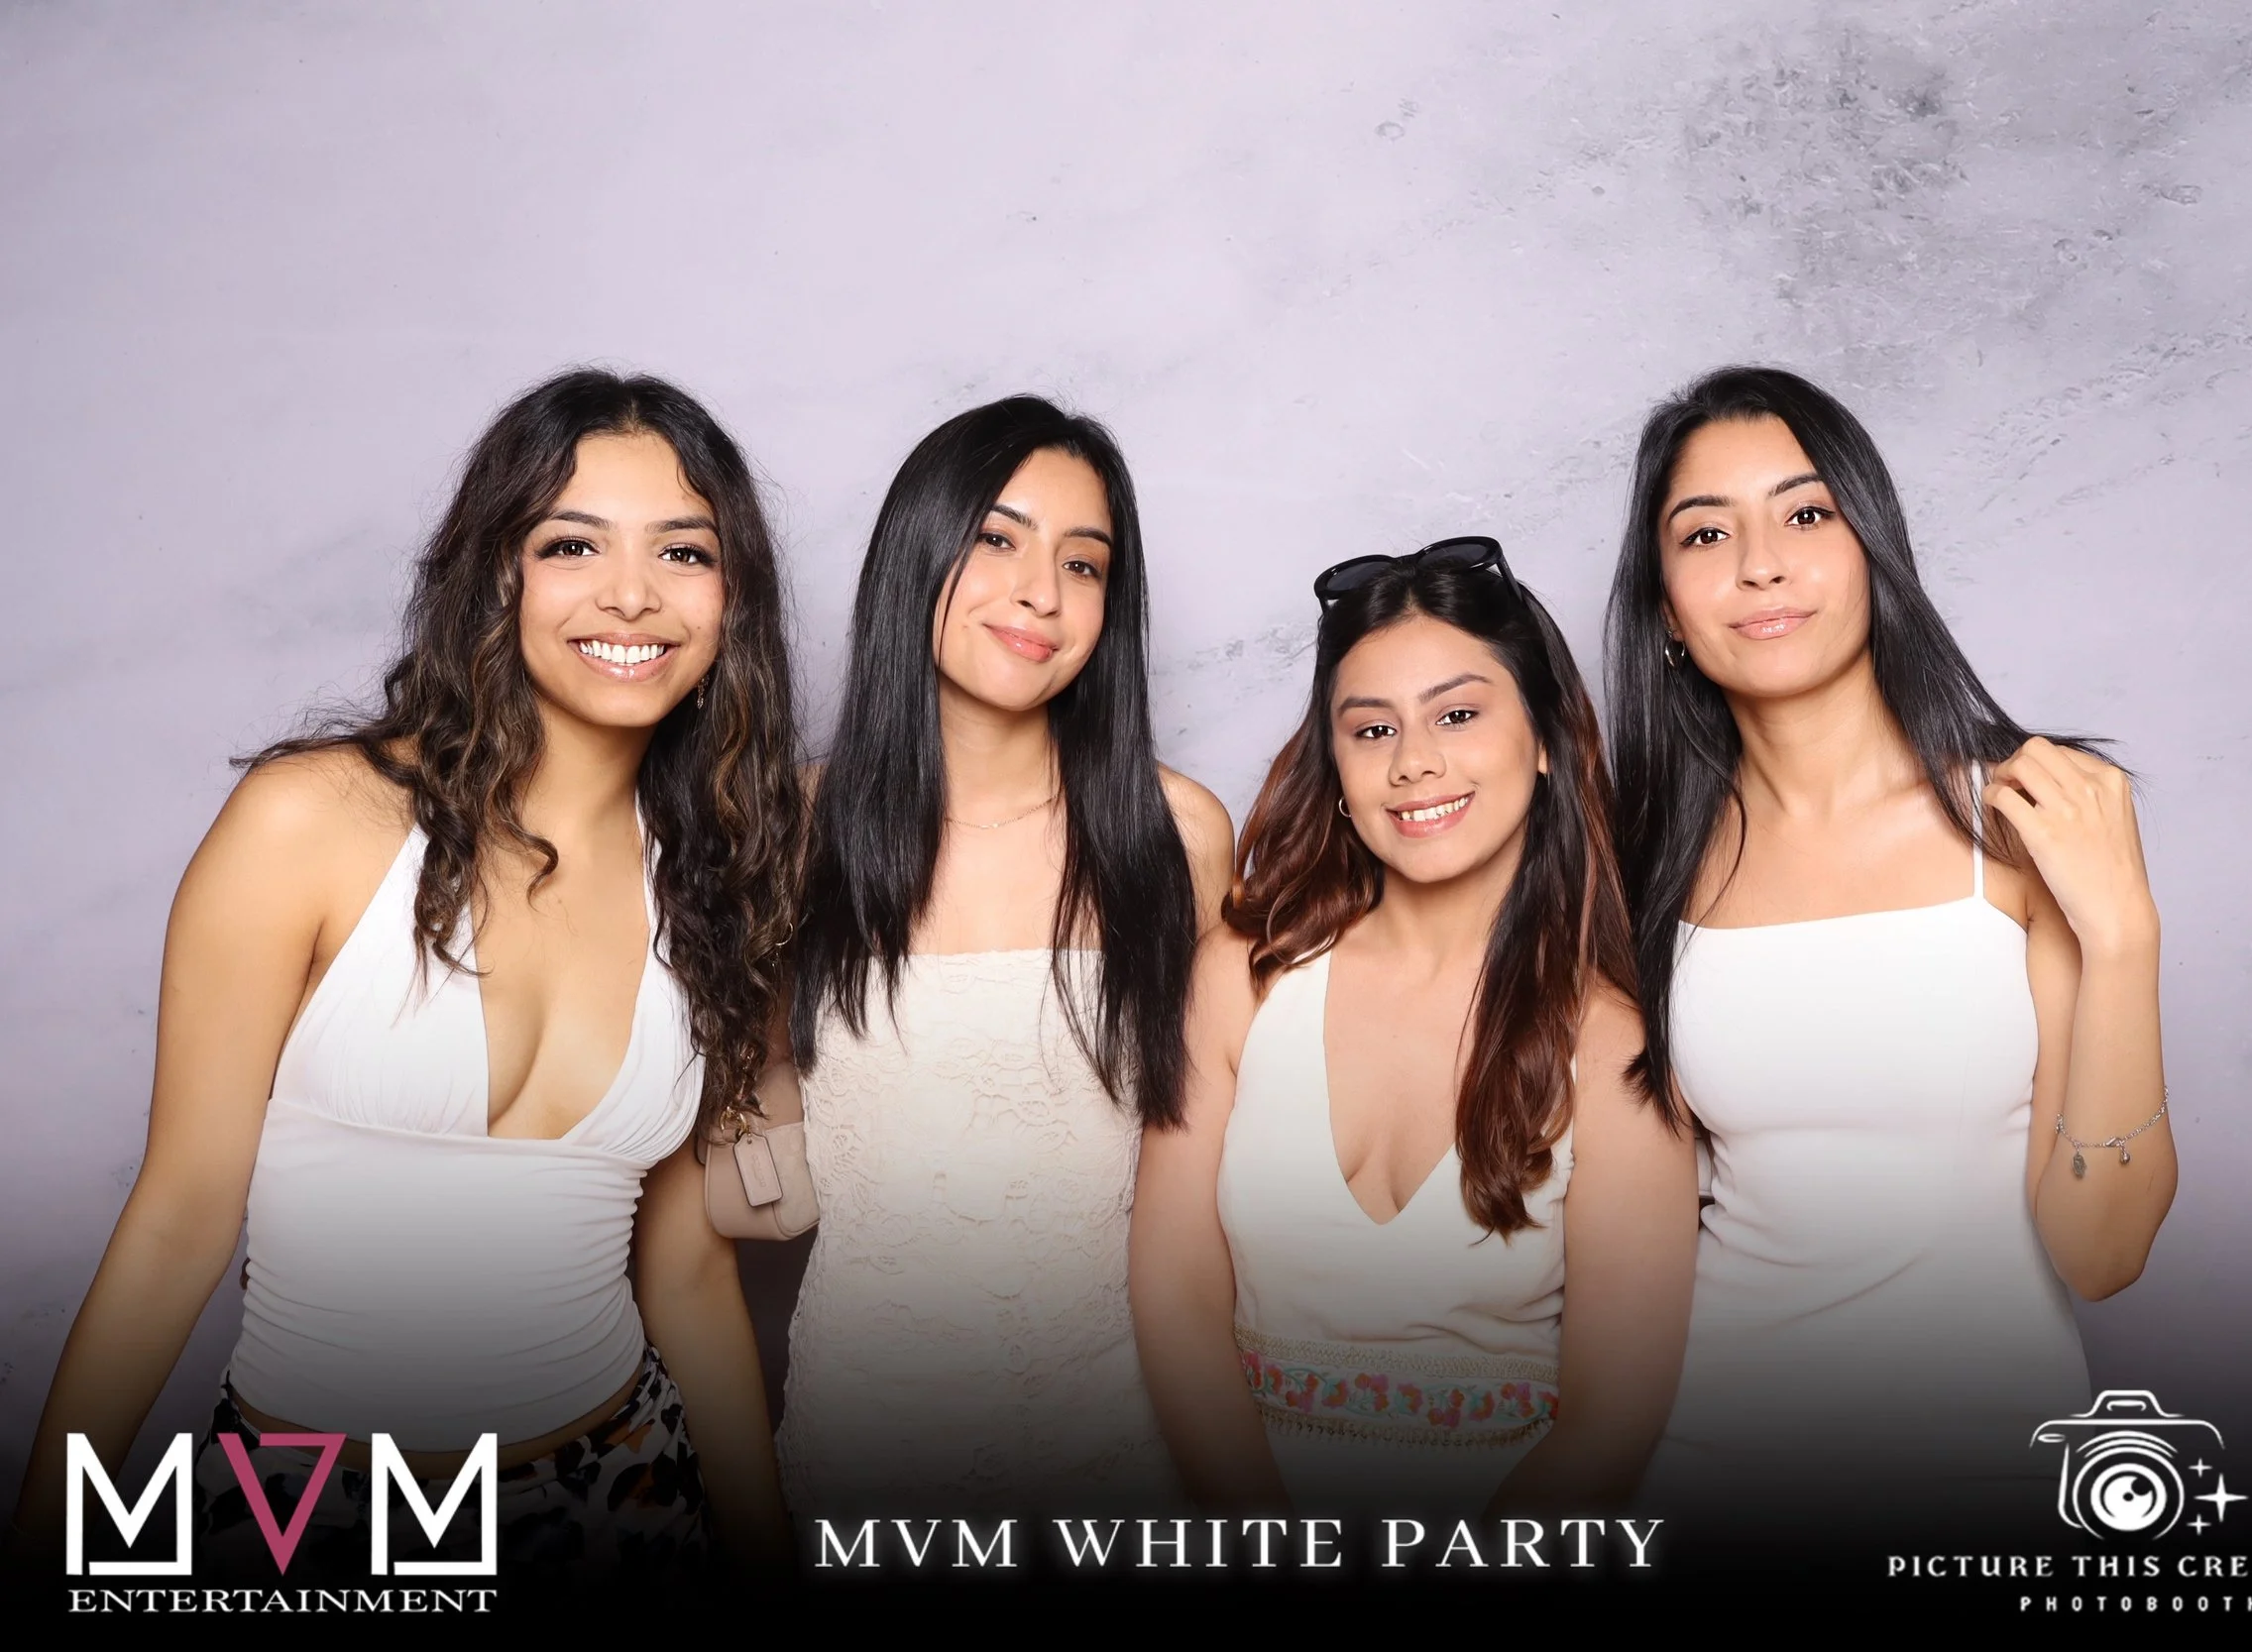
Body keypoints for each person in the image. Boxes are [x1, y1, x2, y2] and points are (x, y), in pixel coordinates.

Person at [6, 371, 805, 1588]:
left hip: (627, 1492)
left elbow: (687, 1266)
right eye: (572, 542)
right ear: (498, 570)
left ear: (730, 594)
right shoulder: (310, 821)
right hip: (309, 1511)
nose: (632, 593)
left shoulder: (722, 872)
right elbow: (177, 1220)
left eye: (683, 551)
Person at [1603, 366, 2175, 1552]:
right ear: (1665, 608)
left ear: (1874, 548)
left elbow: (2101, 1251)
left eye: (1805, 514)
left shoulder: (2026, 812)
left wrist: (2120, 933)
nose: (1759, 562)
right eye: (1705, 533)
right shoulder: (1640, 860)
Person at [1130, 538, 1699, 1522]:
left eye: (1458, 712)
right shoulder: (1244, 974)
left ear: (1546, 737)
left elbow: (1613, 1415)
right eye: (1371, 728)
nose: (1414, 761)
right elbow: (1173, 1295)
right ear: (1336, 762)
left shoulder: (1611, 1043)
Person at [774, 395, 1231, 1519]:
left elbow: (1232, 1166)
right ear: (915, 549)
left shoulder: (1178, 834)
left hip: (1122, 1455)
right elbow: (723, 1162)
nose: (1041, 591)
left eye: (1085, 563)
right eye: (997, 537)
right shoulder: (794, 830)